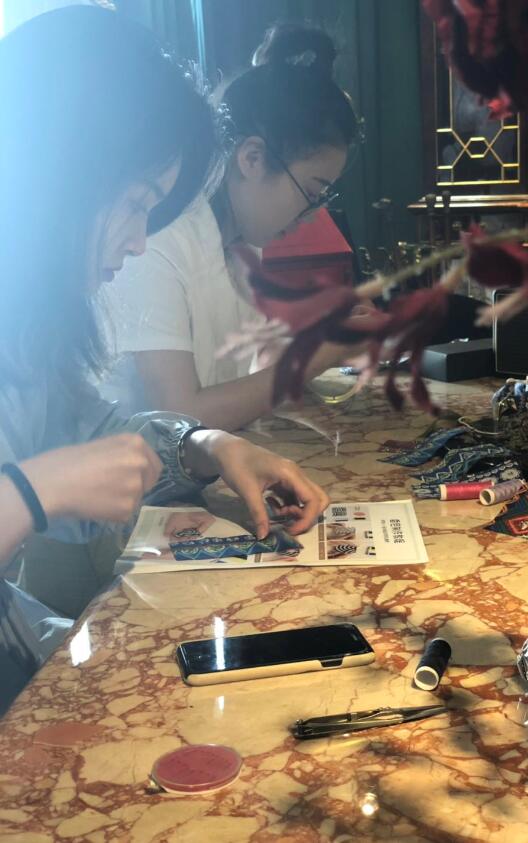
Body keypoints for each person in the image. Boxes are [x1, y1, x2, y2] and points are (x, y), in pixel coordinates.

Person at [0, 7, 328, 712]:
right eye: (133, 203)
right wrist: (32, 491)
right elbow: (56, 475)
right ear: (56, 174)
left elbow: (92, 435)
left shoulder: (27, 324)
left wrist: (204, 444)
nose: (138, 241)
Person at [103, 23, 364, 431]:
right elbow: (181, 419)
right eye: (312, 193)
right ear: (252, 158)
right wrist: (321, 356)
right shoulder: (156, 238)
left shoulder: (239, 243)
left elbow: (245, 375)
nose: (313, 214)